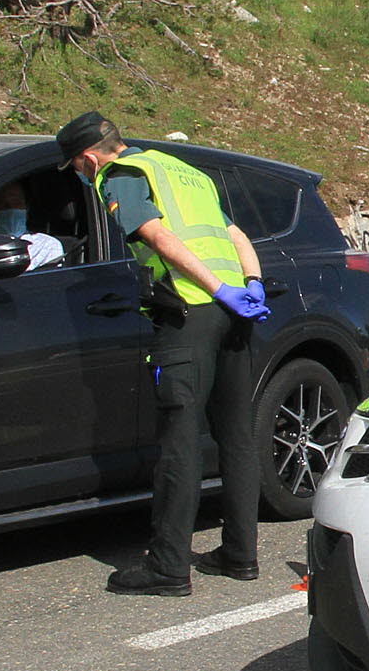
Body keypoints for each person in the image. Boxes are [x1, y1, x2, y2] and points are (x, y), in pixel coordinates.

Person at [57, 112, 270, 596]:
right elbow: (236, 236)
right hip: (235, 315)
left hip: (188, 315)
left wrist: (214, 288)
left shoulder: (121, 175)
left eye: (77, 168)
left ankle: (169, 567)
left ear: (88, 159)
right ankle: (241, 554)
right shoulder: (182, 170)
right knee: (237, 436)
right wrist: (250, 284)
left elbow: (157, 236)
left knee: (179, 440)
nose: (81, 176)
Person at [0, 181, 67, 270]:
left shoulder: (46, 246)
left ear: (26, 209)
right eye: (0, 204)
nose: (10, 210)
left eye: (16, 203)